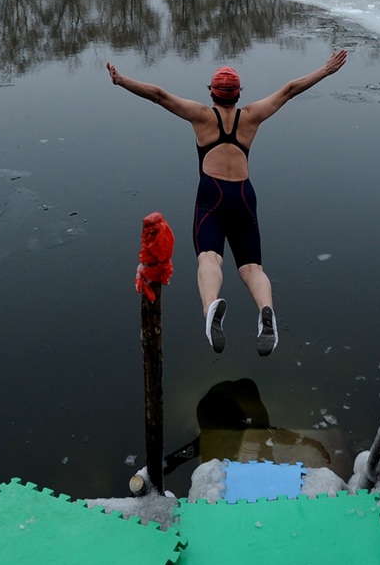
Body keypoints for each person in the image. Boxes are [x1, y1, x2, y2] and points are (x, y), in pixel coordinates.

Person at [106, 50, 348, 356]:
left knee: (209, 258)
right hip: (244, 197)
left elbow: (158, 95)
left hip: (212, 197)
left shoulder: (201, 116)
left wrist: (121, 80)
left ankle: (211, 309)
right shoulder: (252, 116)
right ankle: (266, 312)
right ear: (238, 94)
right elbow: (289, 91)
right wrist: (325, 70)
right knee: (252, 268)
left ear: (211, 92)